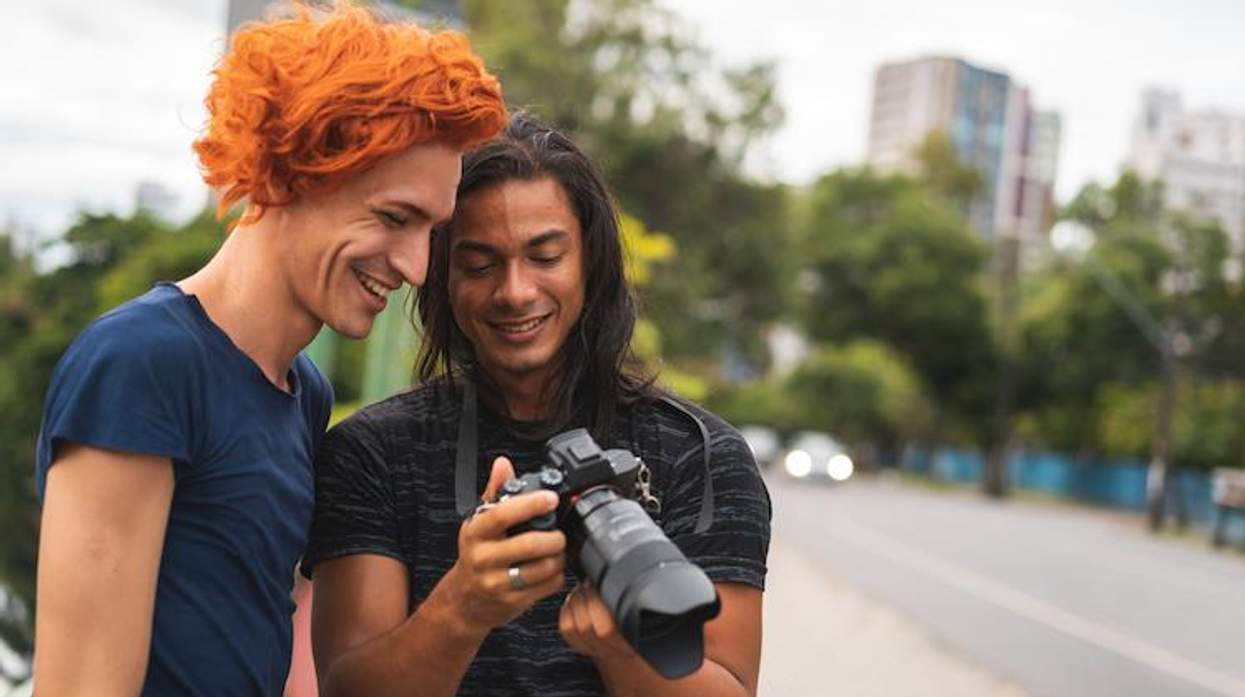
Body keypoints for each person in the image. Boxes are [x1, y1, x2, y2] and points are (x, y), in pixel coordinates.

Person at [32, 5, 505, 696]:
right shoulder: (141, 363)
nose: (415, 266)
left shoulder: (301, 390)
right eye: (393, 218)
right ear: (292, 172)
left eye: (430, 231)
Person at [302, 114, 771, 697]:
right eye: (479, 265)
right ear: (437, 275)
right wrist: (462, 607)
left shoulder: (700, 457)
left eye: (545, 257)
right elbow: (348, 687)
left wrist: (621, 649)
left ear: (591, 263)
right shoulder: (373, 451)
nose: (515, 291)